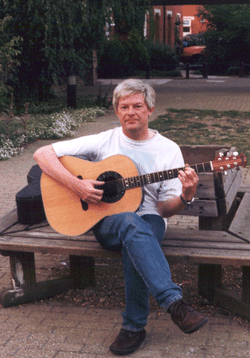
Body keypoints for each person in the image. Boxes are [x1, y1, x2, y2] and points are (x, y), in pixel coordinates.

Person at [34, 79, 208, 356]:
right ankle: (174, 304)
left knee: (136, 236)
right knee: (128, 222)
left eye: (137, 106)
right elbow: (43, 153)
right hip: (108, 221)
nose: (131, 112)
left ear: (150, 109)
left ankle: (134, 328)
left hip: (150, 219)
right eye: (124, 106)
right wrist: (77, 185)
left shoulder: (168, 149)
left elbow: (164, 210)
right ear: (116, 111)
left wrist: (186, 195)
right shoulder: (106, 139)